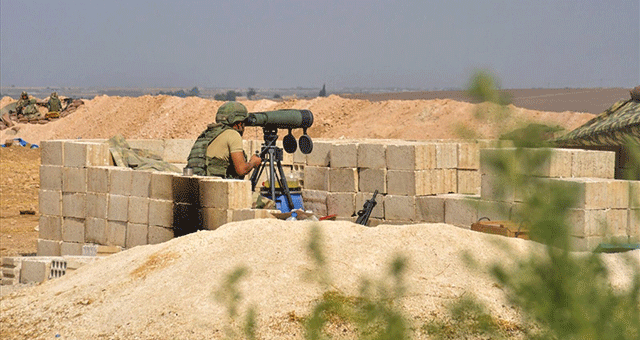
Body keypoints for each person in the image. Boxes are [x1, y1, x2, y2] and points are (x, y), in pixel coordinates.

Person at [186, 101, 261, 178]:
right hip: (214, 187)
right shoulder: (233, 134)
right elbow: (241, 170)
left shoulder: (207, 133)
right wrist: (253, 162)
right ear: (238, 124)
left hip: (196, 184)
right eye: (243, 123)